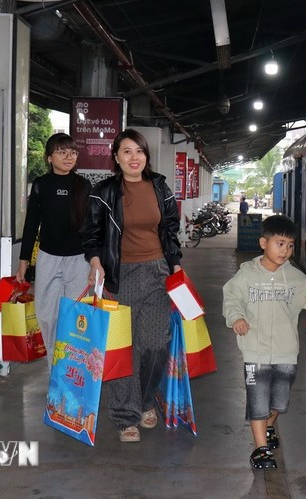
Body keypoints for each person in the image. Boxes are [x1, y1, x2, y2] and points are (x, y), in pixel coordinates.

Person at [82, 128, 182, 443]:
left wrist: (175, 266)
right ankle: (126, 416)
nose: (134, 157)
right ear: (116, 157)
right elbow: (92, 233)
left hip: (157, 272)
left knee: (154, 344)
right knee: (125, 347)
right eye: (126, 151)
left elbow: (169, 230)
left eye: (138, 151)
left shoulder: (160, 187)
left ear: (145, 156)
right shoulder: (104, 191)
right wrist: (95, 262)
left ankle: (147, 398)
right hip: (119, 275)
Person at [223, 215, 306, 470]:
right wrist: (236, 317)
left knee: (279, 403)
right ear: (264, 243)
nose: (285, 250)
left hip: (286, 352)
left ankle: (269, 425)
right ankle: (260, 449)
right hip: (255, 350)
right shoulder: (246, 276)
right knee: (258, 401)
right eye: (280, 243)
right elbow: (231, 298)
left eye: (290, 245)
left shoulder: (296, 279)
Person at [15, 133, 90, 371]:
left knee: (76, 316)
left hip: (79, 260)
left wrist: (97, 261)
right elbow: (31, 224)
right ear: (49, 158)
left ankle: (74, 370)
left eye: (73, 152)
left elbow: (93, 226)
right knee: (47, 316)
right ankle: (55, 369)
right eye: (62, 152)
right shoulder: (41, 185)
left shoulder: (83, 185)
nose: (69, 157)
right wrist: (24, 260)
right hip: (48, 257)